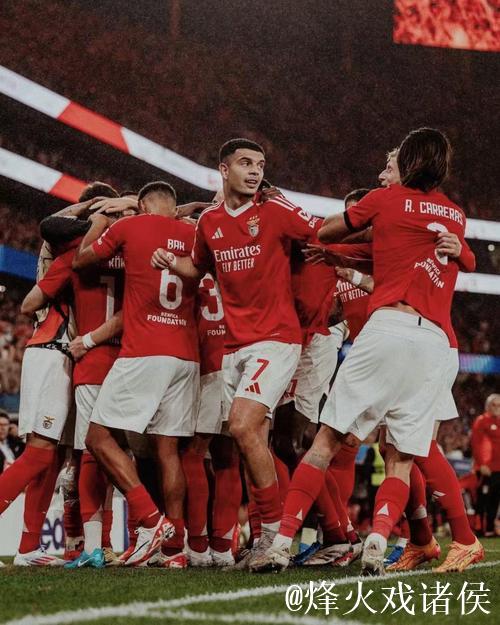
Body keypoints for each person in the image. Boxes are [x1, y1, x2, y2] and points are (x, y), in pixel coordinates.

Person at [251, 127, 477, 576]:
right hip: (434, 341)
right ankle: (383, 539)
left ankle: (280, 543)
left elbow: (325, 230)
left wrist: (293, 214)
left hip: (388, 330)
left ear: (408, 162)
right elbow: (451, 257)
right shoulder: (454, 215)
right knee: (402, 455)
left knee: (326, 442)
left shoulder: (384, 200)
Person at [151, 138, 321, 567]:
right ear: (224, 170)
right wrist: (171, 263)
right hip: (233, 346)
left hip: (277, 338)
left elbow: (321, 232)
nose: (255, 171)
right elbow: (197, 267)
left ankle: (276, 538)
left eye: (260, 164)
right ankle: (265, 538)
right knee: (251, 441)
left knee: (242, 425)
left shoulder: (275, 211)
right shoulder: (209, 222)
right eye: (246, 163)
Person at [73, 181, 200, 568]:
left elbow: (82, 260)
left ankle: (151, 520)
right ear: (174, 208)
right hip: (187, 355)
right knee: (168, 452)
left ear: (142, 205)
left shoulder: (130, 226)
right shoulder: (192, 234)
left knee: (97, 438)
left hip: (145, 350)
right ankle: (175, 549)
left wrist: (100, 221)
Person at [0, 183, 119, 567]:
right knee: (39, 454)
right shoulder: (71, 252)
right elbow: (30, 303)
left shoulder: (80, 251)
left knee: (50, 461)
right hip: (52, 350)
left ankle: (28, 548)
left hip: (64, 356)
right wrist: (94, 210)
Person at [472, 394, 500, 536]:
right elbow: (476, 443)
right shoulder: (481, 421)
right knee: (483, 499)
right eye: (494, 405)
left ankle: (489, 529)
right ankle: (479, 528)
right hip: (486, 468)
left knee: (495, 499)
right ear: (488, 406)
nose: (497, 408)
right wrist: (481, 464)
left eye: (499, 405)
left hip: (498, 468)